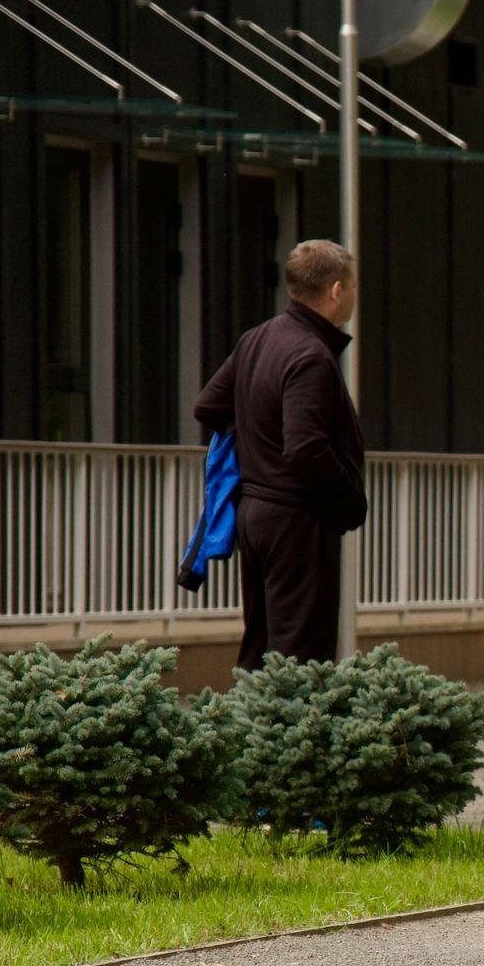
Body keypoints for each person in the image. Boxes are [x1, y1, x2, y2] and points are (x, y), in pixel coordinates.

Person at [193, 239, 368, 670]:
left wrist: (257, 442)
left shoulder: (257, 339)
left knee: (261, 643)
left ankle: (247, 734)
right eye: (353, 286)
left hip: (254, 515)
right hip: (297, 520)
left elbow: (208, 406)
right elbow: (306, 447)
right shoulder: (310, 356)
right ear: (335, 291)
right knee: (299, 654)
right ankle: (289, 737)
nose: (353, 295)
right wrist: (350, 496)